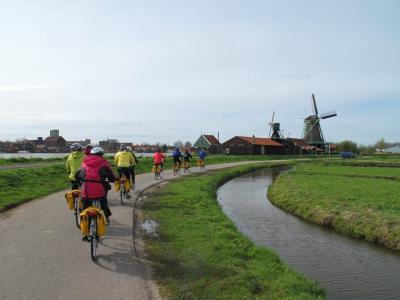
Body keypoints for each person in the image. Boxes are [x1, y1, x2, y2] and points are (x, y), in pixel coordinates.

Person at [76, 147, 115, 226]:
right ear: (102, 154)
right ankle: (106, 218)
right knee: (103, 201)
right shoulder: (104, 162)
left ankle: (83, 223)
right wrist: (112, 179)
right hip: (99, 188)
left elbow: (80, 174)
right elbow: (111, 175)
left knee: (85, 206)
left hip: (86, 189)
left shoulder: (85, 162)